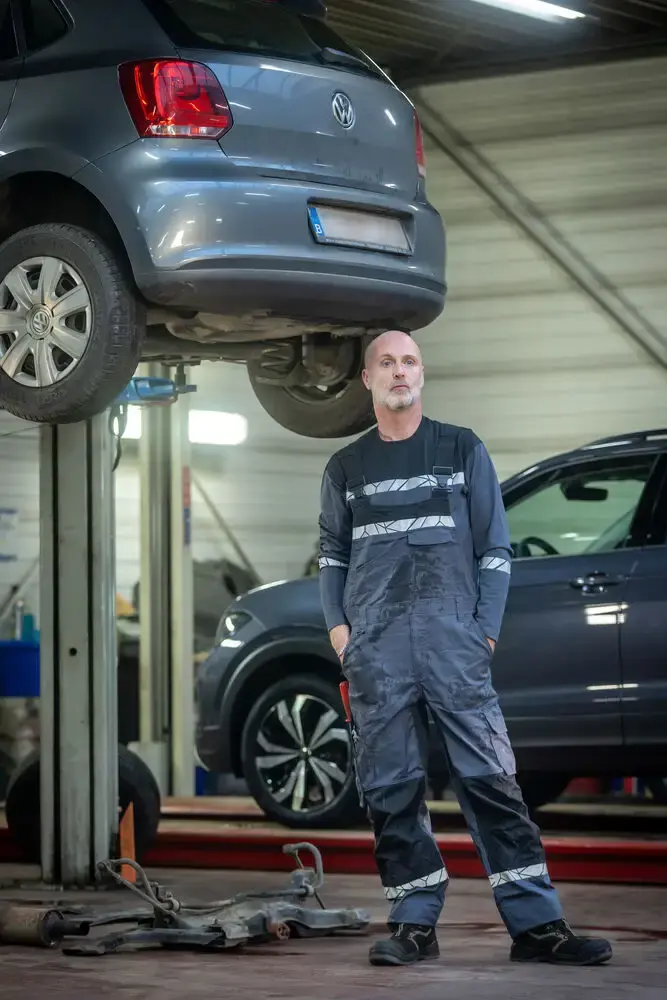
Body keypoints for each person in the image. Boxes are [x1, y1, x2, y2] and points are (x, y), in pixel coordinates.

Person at [317, 329, 613, 969]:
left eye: (411, 361)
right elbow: (332, 559)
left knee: (492, 784)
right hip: (377, 653)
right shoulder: (346, 468)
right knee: (390, 790)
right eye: (388, 363)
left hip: (455, 647)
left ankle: (537, 926)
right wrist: (343, 637)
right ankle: (414, 922)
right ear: (367, 380)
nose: (401, 372)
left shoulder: (461, 449)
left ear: (423, 374)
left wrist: (483, 632)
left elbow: (495, 551)